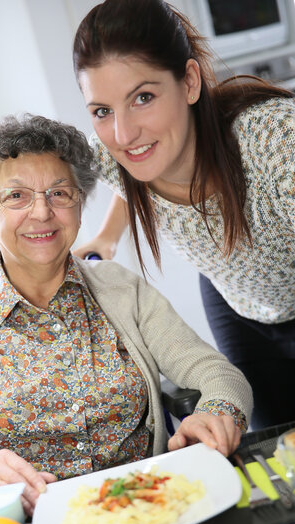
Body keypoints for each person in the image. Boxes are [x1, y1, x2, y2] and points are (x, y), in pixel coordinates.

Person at [0, 113, 252, 517]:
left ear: (80, 206)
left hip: (149, 507)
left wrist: (218, 413)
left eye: (60, 193)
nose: (43, 212)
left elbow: (217, 374)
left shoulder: (123, 290)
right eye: (16, 196)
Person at [72, 0, 295, 431]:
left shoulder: (275, 142)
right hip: (237, 302)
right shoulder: (115, 152)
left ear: (190, 82)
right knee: (272, 444)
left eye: (143, 97)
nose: (123, 133)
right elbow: (131, 169)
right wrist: (107, 236)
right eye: (102, 110)